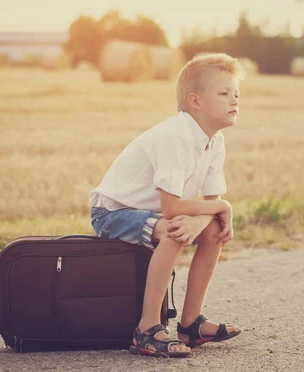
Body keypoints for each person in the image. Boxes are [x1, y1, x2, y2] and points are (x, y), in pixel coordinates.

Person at [89, 53, 244, 357]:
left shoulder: (215, 139)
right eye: (224, 93)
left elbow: (209, 204)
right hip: (113, 213)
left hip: (155, 212)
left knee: (214, 232)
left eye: (237, 94)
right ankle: (146, 329)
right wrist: (218, 208)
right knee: (175, 231)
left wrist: (216, 211)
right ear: (195, 101)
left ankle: (191, 324)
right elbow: (174, 209)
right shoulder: (176, 137)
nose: (234, 100)